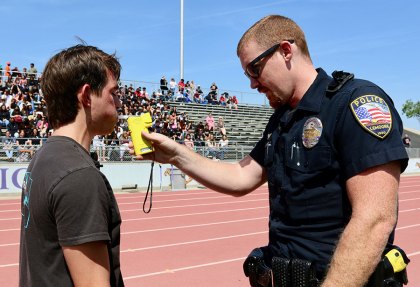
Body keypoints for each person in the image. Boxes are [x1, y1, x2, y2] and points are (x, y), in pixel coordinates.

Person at [130, 15, 409, 286]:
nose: (252, 83)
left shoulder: (353, 103)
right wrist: (175, 154)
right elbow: (241, 177)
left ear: (286, 50)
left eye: (254, 68)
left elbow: (374, 218)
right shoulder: (282, 120)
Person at [19, 44, 125, 287]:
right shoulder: (79, 175)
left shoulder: (43, 157)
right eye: (114, 93)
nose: (119, 103)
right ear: (87, 95)